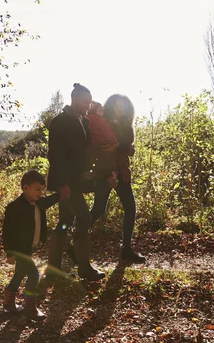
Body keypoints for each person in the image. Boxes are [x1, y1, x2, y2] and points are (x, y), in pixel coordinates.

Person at [45, 83, 106, 281]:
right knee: (84, 217)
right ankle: (84, 268)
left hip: (76, 182)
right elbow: (55, 156)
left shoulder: (84, 121)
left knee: (64, 221)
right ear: (74, 99)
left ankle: (53, 268)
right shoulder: (59, 122)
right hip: (66, 182)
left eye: (89, 101)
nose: (87, 105)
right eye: (84, 101)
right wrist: (62, 185)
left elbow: (86, 151)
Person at [89, 94, 146, 263]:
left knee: (130, 208)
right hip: (104, 171)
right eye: (117, 106)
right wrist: (121, 149)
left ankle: (126, 249)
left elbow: (127, 147)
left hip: (121, 172)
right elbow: (99, 145)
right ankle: (74, 242)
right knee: (99, 208)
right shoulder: (102, 121)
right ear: (111, 106)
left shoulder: (127, 124)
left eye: (123, 107)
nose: (120, 109)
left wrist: (122, 147)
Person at [2, 170, 60, 320]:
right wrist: (10, 253)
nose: (40, 193)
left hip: (28, 247)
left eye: (42, 190)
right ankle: (30, 307)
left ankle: (8, 302)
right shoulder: (14, 207)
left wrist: (61, 194)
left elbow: (48, 201)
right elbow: (7, 232)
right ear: (25, 188)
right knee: (34, 274)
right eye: (37, 189)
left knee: (20, 273)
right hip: (19, 250)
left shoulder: (39, 203)